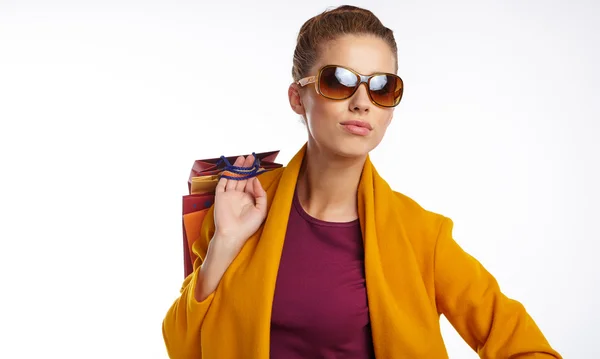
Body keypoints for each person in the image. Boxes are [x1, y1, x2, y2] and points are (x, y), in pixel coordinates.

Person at [162, 5, 562, 359]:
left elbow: (525, 346)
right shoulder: (241, 204)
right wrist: (225, 244)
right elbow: (181, 349)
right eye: (338, 80)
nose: (362, 102)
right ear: (298, 98)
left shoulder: (422, 235)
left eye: (382, 87)